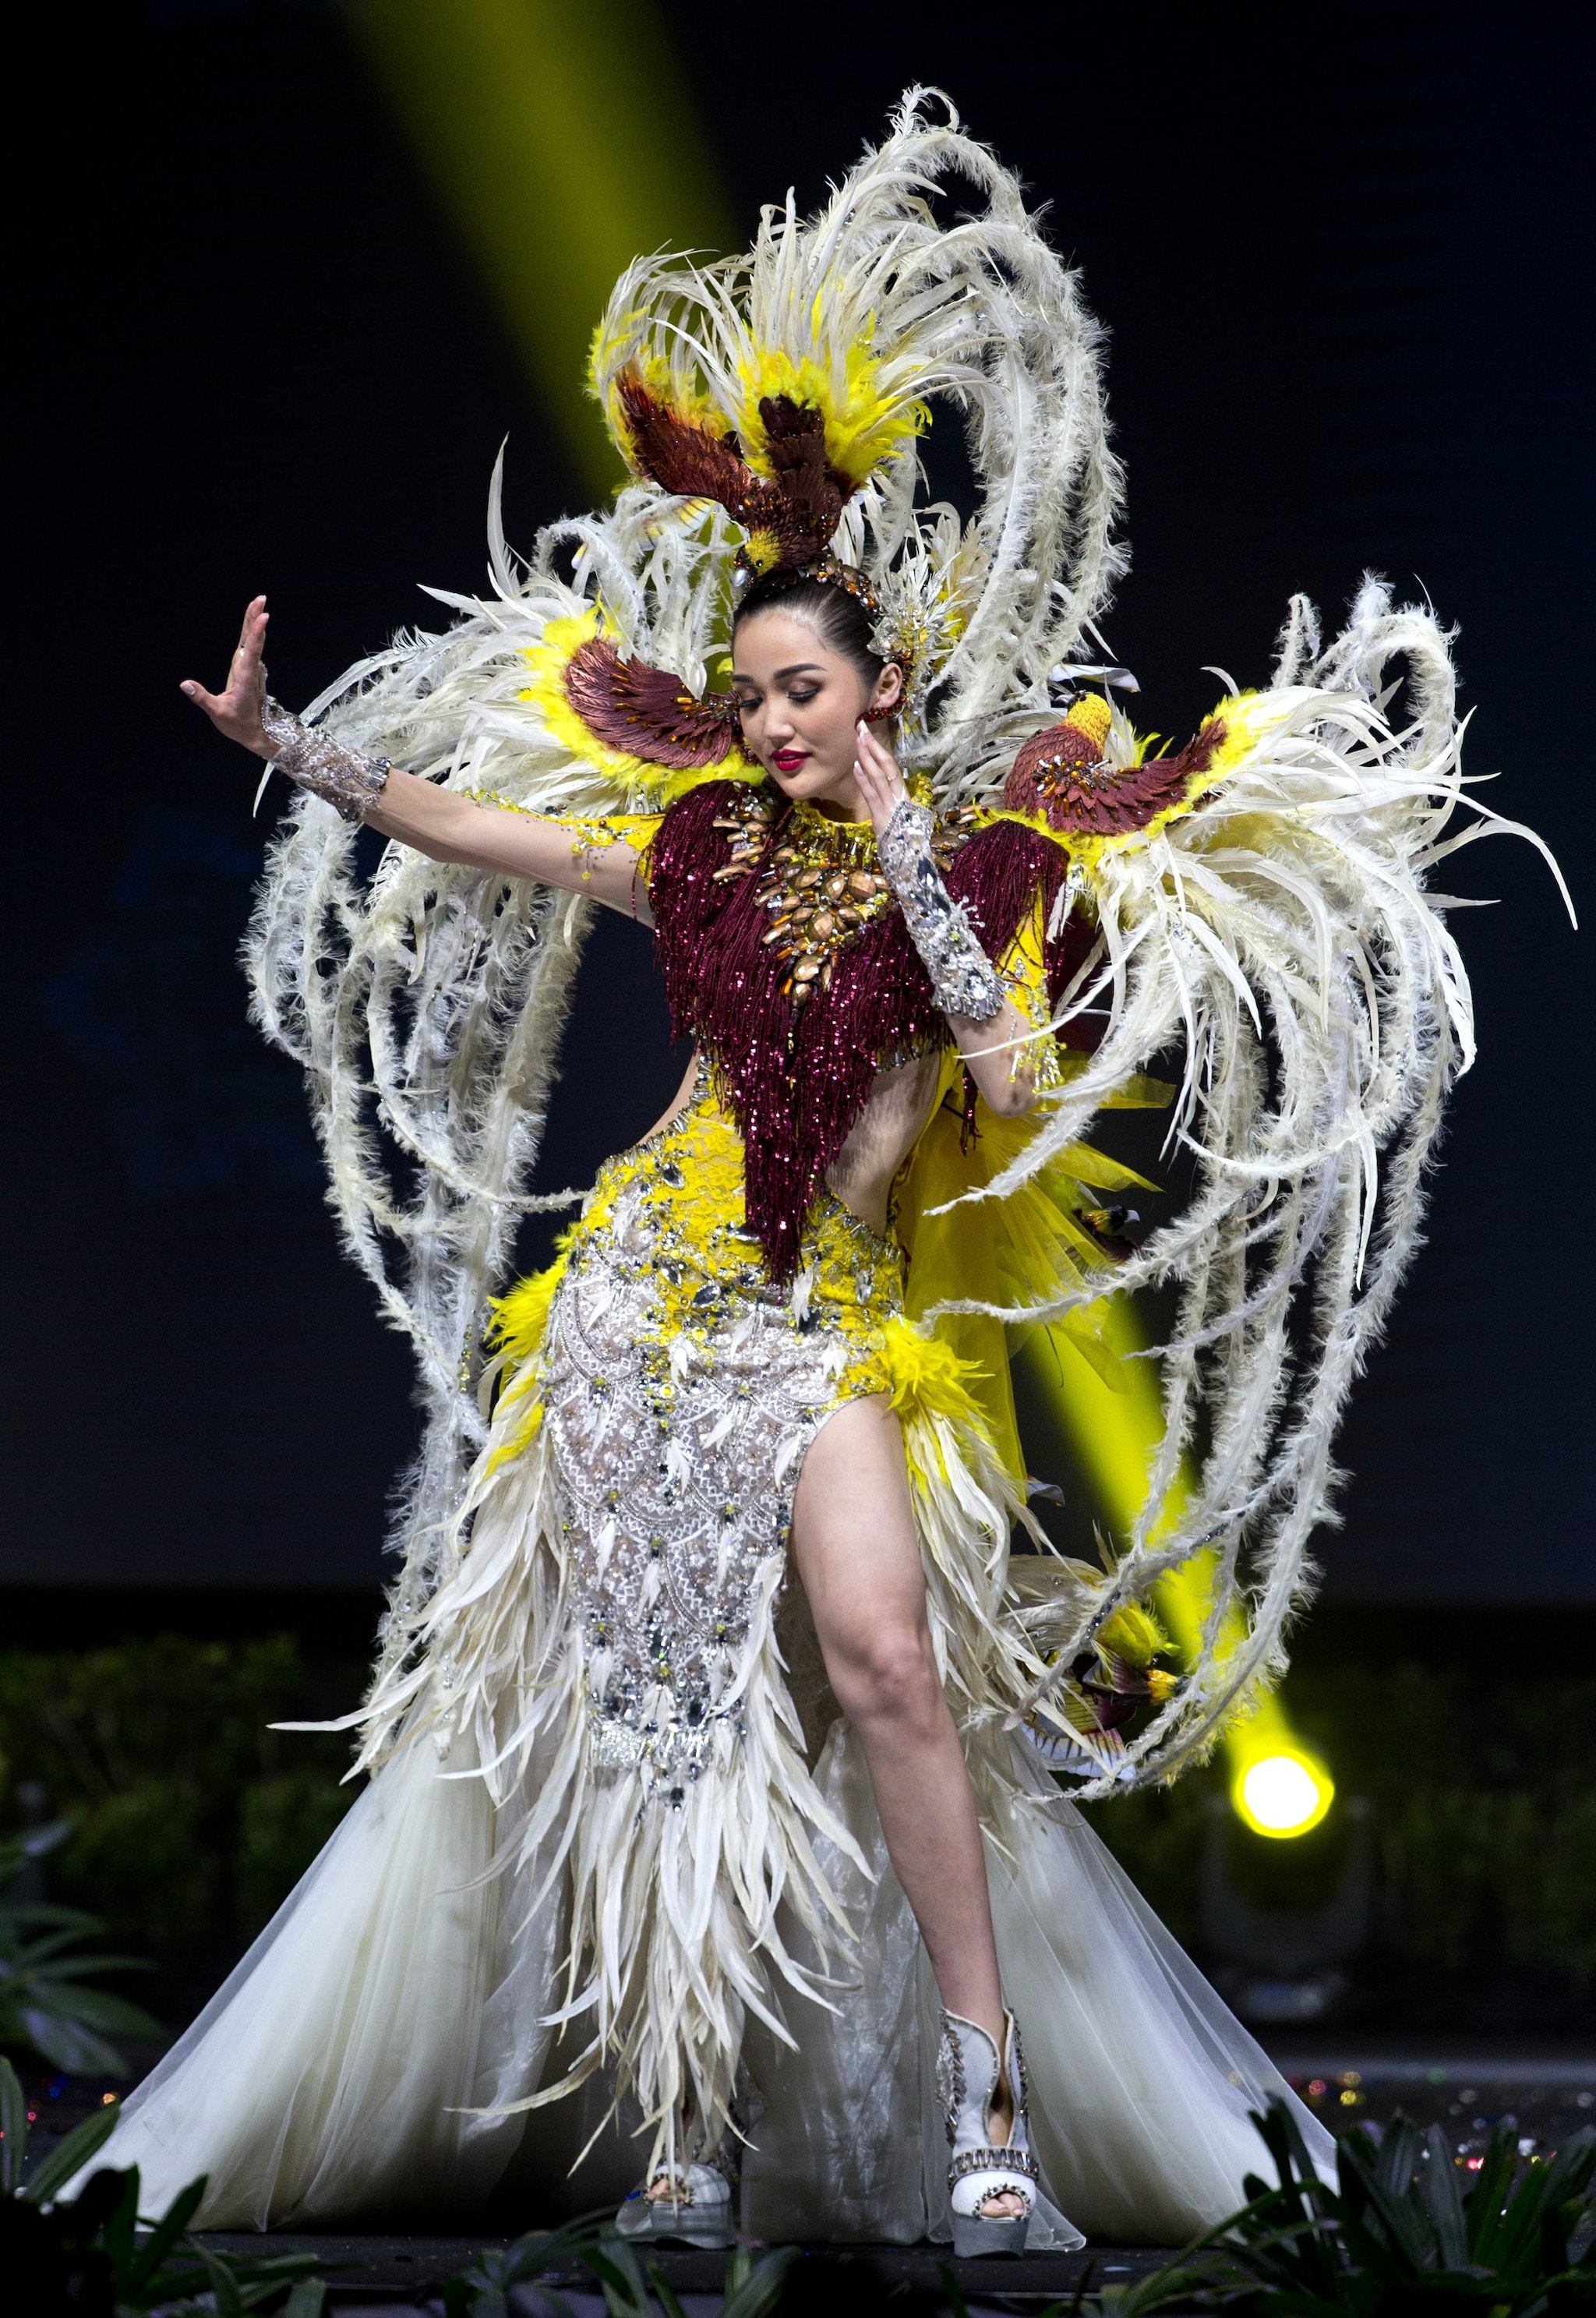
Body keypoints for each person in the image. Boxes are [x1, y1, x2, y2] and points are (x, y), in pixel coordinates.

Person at [88, 93, 1538, 2252]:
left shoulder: (985, 872)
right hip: (637, 1316)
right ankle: (678, 2132)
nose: (765, 721)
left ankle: (985, 2119)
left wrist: (913, 856)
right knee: (660, 1715)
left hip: (827, 1325)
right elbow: (487, 834)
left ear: (880, 689)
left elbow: (1010, 1065)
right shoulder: (686, 848)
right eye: (751, 693)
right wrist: (287, 746)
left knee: (879, 1665)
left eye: (801, 691)